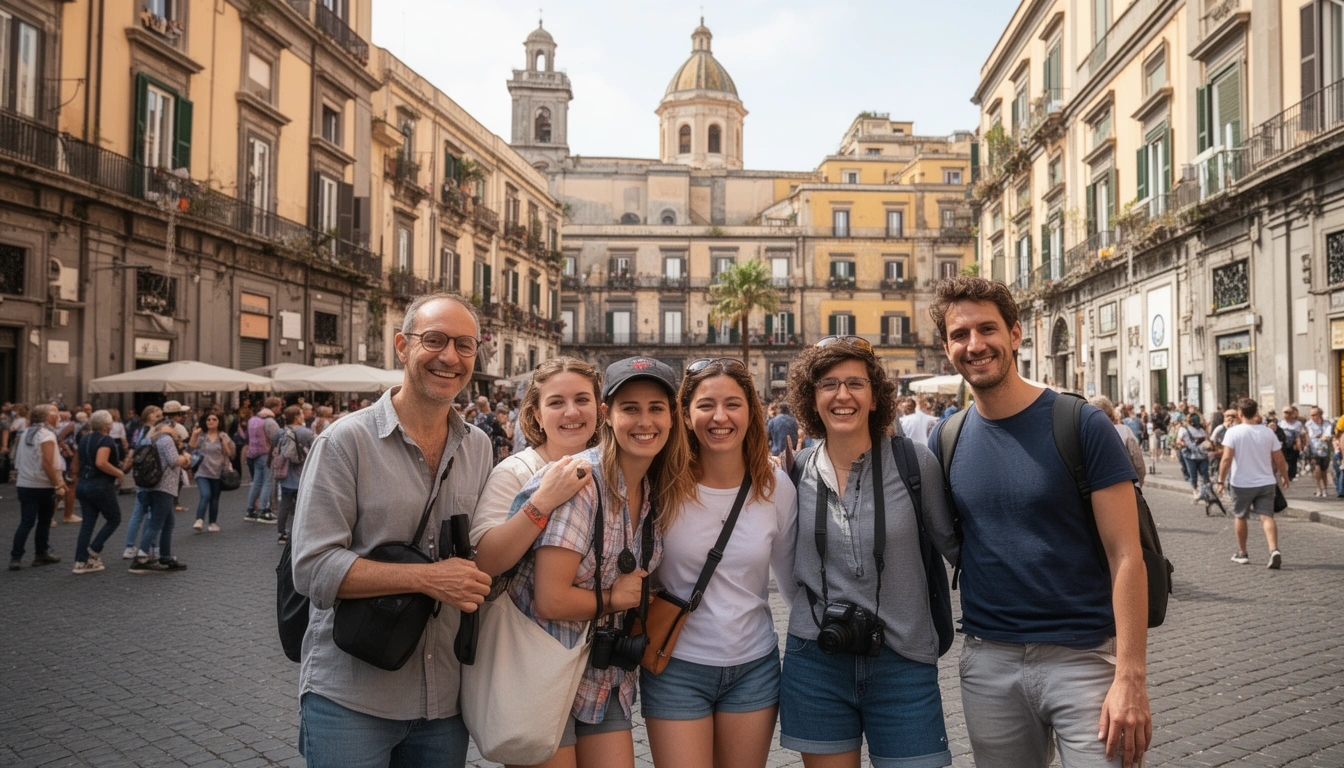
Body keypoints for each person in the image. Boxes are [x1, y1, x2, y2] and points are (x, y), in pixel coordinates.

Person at [929, 276, 1150, 768]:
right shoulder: (946, 438)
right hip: (988, 661)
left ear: (1015, 334)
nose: (975, 344)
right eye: (960, 335)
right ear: (947, 348)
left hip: (1085, 660)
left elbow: (1126, 555)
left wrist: (1130, 675)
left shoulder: (1082, 424)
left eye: (987, 329)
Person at [291, 294, 495, 768]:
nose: (450, 357)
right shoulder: (344, 442)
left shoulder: (479, 446)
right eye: (435, 340)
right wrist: (427, 578)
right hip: (352, 698)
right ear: (402, 346)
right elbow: (312, 568)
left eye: (464, 345)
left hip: (445, 700)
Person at [504, 357, 694, 768]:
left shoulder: (654, 487)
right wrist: (613, 598)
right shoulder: (580, 482)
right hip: (544, 675)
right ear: (607, 415)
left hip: (604, 676)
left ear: (673, 416)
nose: (645, 421)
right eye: (630, 408)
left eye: (656, 408)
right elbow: (550, 601)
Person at [779, 336, 957, 768]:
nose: (843, 395)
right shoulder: (794, 470)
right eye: (829, 384)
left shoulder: (916, 464)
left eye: (856, 383)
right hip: (816, 659)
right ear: (812, 397)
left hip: (904, 662)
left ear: (875, 396)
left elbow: (959, 549)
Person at [639, 358, 796, 768]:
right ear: (686, 415)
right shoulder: (660, 483)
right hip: (675, 667)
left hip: (754, 668)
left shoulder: (775, 486)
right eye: (706, 405)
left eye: (733, 404)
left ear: (751, 412)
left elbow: (794, 583)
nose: (720, 417)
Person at [471, 357, 600, 578]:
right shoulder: (515, 472)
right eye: (556, 403)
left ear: (599, 408)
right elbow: (482, 563)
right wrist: (543, 502)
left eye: (582, 400)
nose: (571, 412)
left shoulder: (609, 471)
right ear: (538, 415)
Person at [1216, 398, 1289, 569]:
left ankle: (1242, 552)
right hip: (1266, 482)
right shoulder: (1268, 433)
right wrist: (1285, 476)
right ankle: (1273, 549)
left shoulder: (1233, 432)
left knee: (1240, 516)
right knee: (1267, 516)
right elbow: (1279, 458)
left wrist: (1220, 480)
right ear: (1256, 412)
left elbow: (1226, 459)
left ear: (1240, 414)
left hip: (1241, 483)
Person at [129, 415, 191, 574]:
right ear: (169, 427)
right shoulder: (166, 440)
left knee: (168, 523)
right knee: (156, 523)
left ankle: (165, 556)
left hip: (151, 485)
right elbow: (173, 461)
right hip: (164, 486)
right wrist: (185, 457)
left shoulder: (148, 439)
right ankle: (141, 557)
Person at [9, 404, 66, 570]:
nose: (58, 417)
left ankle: (16, 557)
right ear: (47, 418)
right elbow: (47, 462)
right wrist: (57, 484)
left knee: (26, 522)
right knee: (44, 520)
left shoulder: (27, 432)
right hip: (42, 484)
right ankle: (41, 554)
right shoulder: (46, 435)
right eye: (54, 414)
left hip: (25, 483)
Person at [73, 410, 127, 574]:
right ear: (108, 425)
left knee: (87, 523)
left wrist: (76, 480)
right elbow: (101, 463)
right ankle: (94, 550)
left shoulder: (84, 439)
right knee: (114, 518)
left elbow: (74, 465)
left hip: (83, 484)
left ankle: (81, 562)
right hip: (100, 485)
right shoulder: (106, 440)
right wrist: (119, 473)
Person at [124, 406, 164, 560]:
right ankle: (147, 546)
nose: (159, 417)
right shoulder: (151, 431)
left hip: (141, 473)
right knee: (148, 513)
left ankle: (130, 546)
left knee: (138, 511)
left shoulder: (140, 430)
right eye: (157, 415)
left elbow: (134, 448)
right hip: (150, 474)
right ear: (148, 415)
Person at [273, 405, 314, 546]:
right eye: (301, 414)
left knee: (285, 504)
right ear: (297, 417)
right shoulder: (306, 433)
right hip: (302, 473)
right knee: (301, 505)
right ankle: (297, 533)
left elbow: (275, 448)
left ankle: (281, 533)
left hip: (285, 474)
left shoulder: (280, 432)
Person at [189, 412, 235, 533]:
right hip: (202, 471)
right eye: (208, 419)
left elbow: (230, 453)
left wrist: (224, 443)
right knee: (205, 495)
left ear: (219, 422)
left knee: (214, 498)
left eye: (214, 419)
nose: (211, 421)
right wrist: (194, 434)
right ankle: (199, 519)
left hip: (218, 472)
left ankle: (212, 522)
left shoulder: (223, 436)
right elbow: (192, 447)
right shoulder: (202, 436)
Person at [1091, 396, 1146, 488]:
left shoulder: (1087, 434)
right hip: (1125, 487)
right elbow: (1138, 464)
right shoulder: (1124, 431)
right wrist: (1137, 486)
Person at [244, 398, 282, 523]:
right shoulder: (270, 421)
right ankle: (264, 511)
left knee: (256, 482)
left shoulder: (255, 419)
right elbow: (277, 438)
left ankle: (250, 510)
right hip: (268, 455)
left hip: (255, 454)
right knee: (268, 482)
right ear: (275, 407)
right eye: (279, 406)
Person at [1304, 407, 1333, 497]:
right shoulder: (1308, 424)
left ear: (1319, 415)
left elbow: (1327, 435)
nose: (1312, 417)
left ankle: (1325, 489)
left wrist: (1325, 437)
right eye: (1311, 415)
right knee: (1316, 469)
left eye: (1314, 415)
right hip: (1314, 449)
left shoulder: (1327, 424)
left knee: (1324, 470)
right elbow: (1309, 435)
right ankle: (1318, 488)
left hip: (1324, 450)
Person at [1279, 406, 1304, 483]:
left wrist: (1298, 445)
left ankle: (1291, 476)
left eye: (1289, 413)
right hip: (1282, 446)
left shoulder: (1297, 424)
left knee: (1292, 461)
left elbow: (1298, 436)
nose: (1287, 415)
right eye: (1285, 413)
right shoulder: (1280, 423)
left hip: (1293, 445)